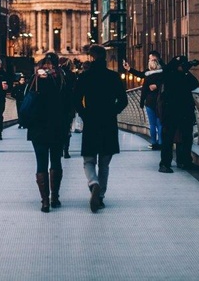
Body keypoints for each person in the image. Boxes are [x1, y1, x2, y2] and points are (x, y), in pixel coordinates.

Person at [75, 44, 128, 213]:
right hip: (108, 123)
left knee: (89, 160)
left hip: (91, 122)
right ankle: (101, 197)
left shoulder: (85, 77)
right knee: (104, 163)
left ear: (91, 58)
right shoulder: (113, 77)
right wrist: (112, 111)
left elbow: (75, 100)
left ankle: (93, 183)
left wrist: (84, 114)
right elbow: (123, 100)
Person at [26, 52, 72, 212]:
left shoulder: (35, 80)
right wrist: (67, 125)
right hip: (57, 128)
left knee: (41, 163)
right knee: (56, 161)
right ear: (56, 64)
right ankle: (55, 198)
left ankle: (44, 202)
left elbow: (25, 100)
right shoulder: (62, 79)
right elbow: (69, 105)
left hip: (37, 128)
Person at [157, 55, 199, 172]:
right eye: (182, 65)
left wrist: (186, 72)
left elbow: (195, 84)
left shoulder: (183, 75)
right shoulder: (168, 74)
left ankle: (185, 161)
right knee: (168, 138)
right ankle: (165, 164)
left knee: (186, 137)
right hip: (171, 111)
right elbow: (171, 82)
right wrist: (182, 72)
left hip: (185, 111)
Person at [123, 51, 163, 150]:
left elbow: (140, 76)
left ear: (154, 60)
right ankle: (161, 143)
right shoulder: (163, 74)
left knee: (152, 124)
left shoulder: (147, 74)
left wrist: (129, 69)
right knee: (159, 123)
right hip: (161, 101)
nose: (149, 60)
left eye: (150, 58)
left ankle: (154, 143)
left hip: (149, 101)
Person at [59, 57, 77, 158]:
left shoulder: (56, 74)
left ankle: (60, 148)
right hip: (69, 106)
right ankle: (66, 150)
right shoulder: (72, 75)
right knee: (67, 128)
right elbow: (75, 91)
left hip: (57, 106)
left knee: (58, 128)